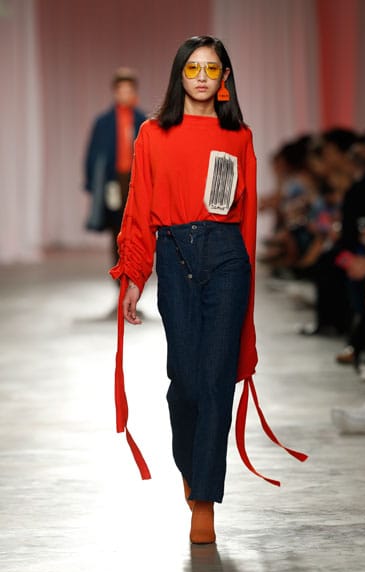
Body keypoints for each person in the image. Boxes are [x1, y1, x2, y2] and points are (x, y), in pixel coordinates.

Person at [110, 36, 307, 545]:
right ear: (179, 75)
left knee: (217, 379)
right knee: (186, 380)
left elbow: (245, 218)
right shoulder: (153, 133)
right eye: (193, 68)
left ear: (224, 78)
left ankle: (204, 500)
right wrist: (135, 275)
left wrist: (249, 280)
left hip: (225, 257)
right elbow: (139, 206)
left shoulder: (237, 135)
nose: (201, 76)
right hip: (173, 253)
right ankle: (191, 467)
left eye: (211, 68)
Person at [84, 67, 147, 267]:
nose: (125, 94)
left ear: (134, 92)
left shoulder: (143, 121)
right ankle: (120, 273)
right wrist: (91, 183)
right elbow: (93, 153)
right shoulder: (103, 122)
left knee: (137, 228)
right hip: (112, 180)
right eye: (121, 90)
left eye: (129, 90)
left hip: (136, 181)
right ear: (115, 92)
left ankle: (134, 271)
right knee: (117, 229)